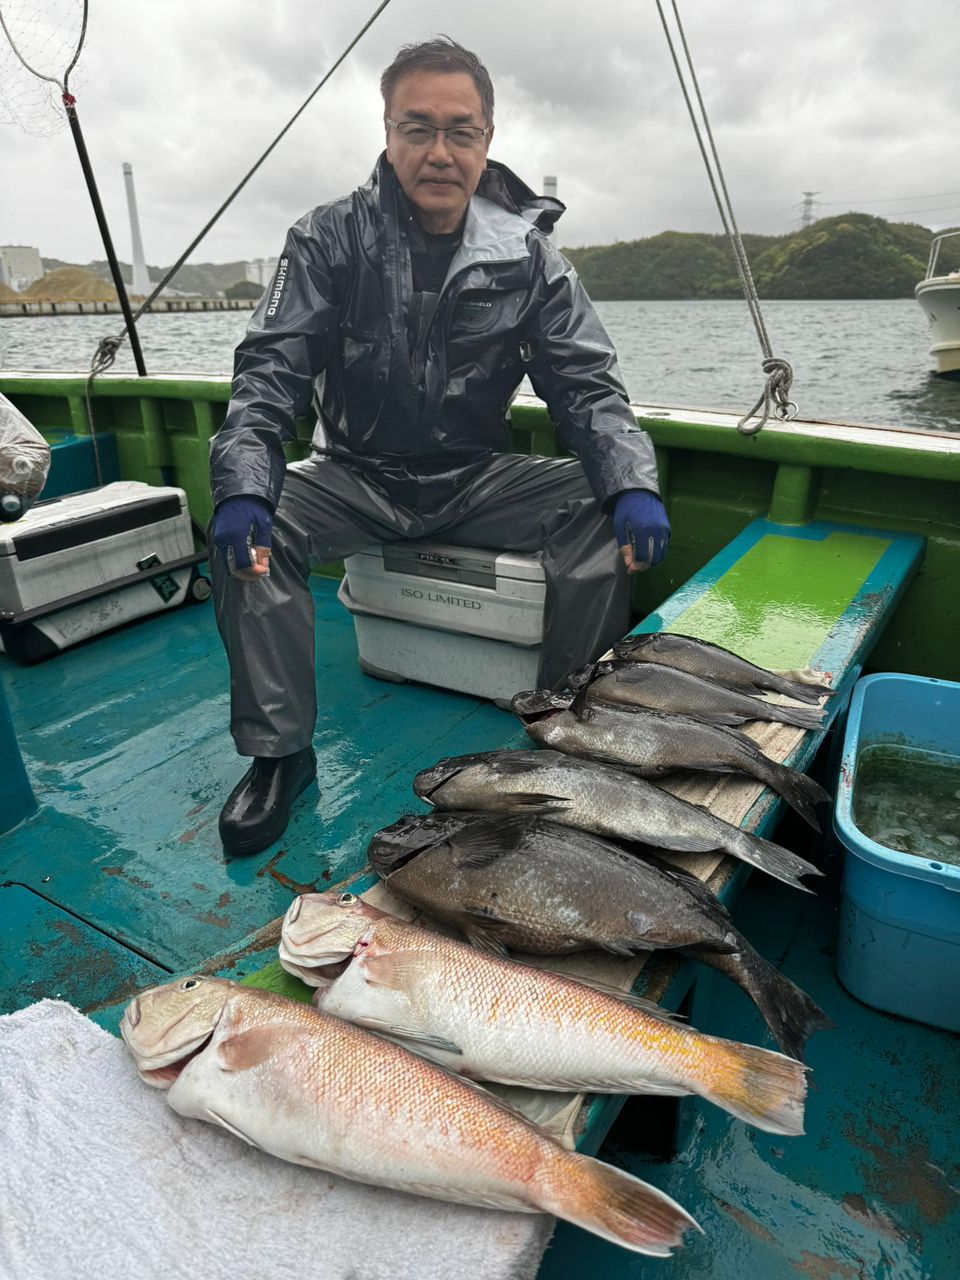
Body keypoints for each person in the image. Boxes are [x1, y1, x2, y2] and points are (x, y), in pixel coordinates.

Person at [209, 36, 671, 856]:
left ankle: (564, 729)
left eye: (461, 131)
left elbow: (586, 385)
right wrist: (244, 483)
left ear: (487, 140)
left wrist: (631, 481)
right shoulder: (326, 239)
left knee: (604, 504)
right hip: (354, 474)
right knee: (254, 524)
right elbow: (270, 372)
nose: (439, 151)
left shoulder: (528, 254)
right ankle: (280, 754)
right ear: (388, 133)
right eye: (417, 127)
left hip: (473, 478)